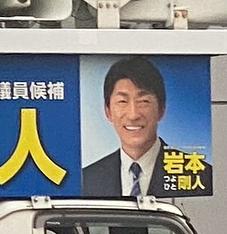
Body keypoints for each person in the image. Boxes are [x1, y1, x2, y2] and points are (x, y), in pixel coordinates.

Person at [81, 56, 212, 197]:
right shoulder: (86, 179)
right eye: (122, 101)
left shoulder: (199, 174)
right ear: (108, 111)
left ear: (161, 109)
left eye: (143, 101)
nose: (133, 115)